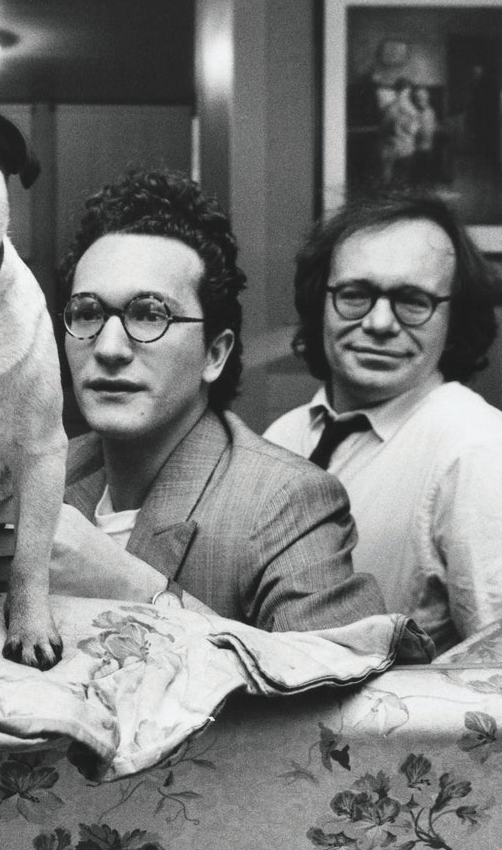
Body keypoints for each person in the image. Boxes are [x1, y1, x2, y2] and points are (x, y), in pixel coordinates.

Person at [52, 168, 388, 629]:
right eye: (88, 313)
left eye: (150, 315)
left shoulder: (285, 504)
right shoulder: (51, 472)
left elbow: (335, 684)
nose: (109, 348)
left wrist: (129, 586)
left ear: (215, 354)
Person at [263, 191, 502, 652]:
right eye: (355, 294)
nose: (379, 323)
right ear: (321, 302)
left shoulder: (476, 450)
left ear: (453, 319)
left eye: (412, 301)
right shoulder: (283, 436)